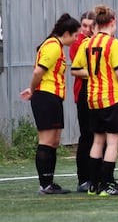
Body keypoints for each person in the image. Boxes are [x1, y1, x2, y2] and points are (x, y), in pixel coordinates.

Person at [20, 13, 81, 194]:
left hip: (53, 97)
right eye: (75, 35)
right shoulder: (53, 46)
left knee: (54, 141)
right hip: (45, 96)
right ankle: (44, 184)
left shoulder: (57, 46)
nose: (76, 39)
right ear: (67, 33)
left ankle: (49, 182)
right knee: (46, 141)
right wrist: (32, 89)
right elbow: (39, 72)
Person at [71, 4, 118, 196]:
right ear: (112, 22)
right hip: (111, 97)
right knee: (112, 142)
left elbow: (75, 68)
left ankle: (93, 185)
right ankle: (106, 184)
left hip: (92, 98)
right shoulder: (113, 43)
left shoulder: (88, 43)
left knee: (97, 141)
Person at [69, 11, 95, 192]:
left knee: (100, 136)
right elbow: (78, 67)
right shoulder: (78, 42)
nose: (86, 29)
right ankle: (83, 178)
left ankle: (100, 175)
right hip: (84, 94)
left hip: (101, 93)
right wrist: (100, 72)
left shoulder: (102, 41)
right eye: (84, 26)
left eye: (90, 26)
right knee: (86, 135)